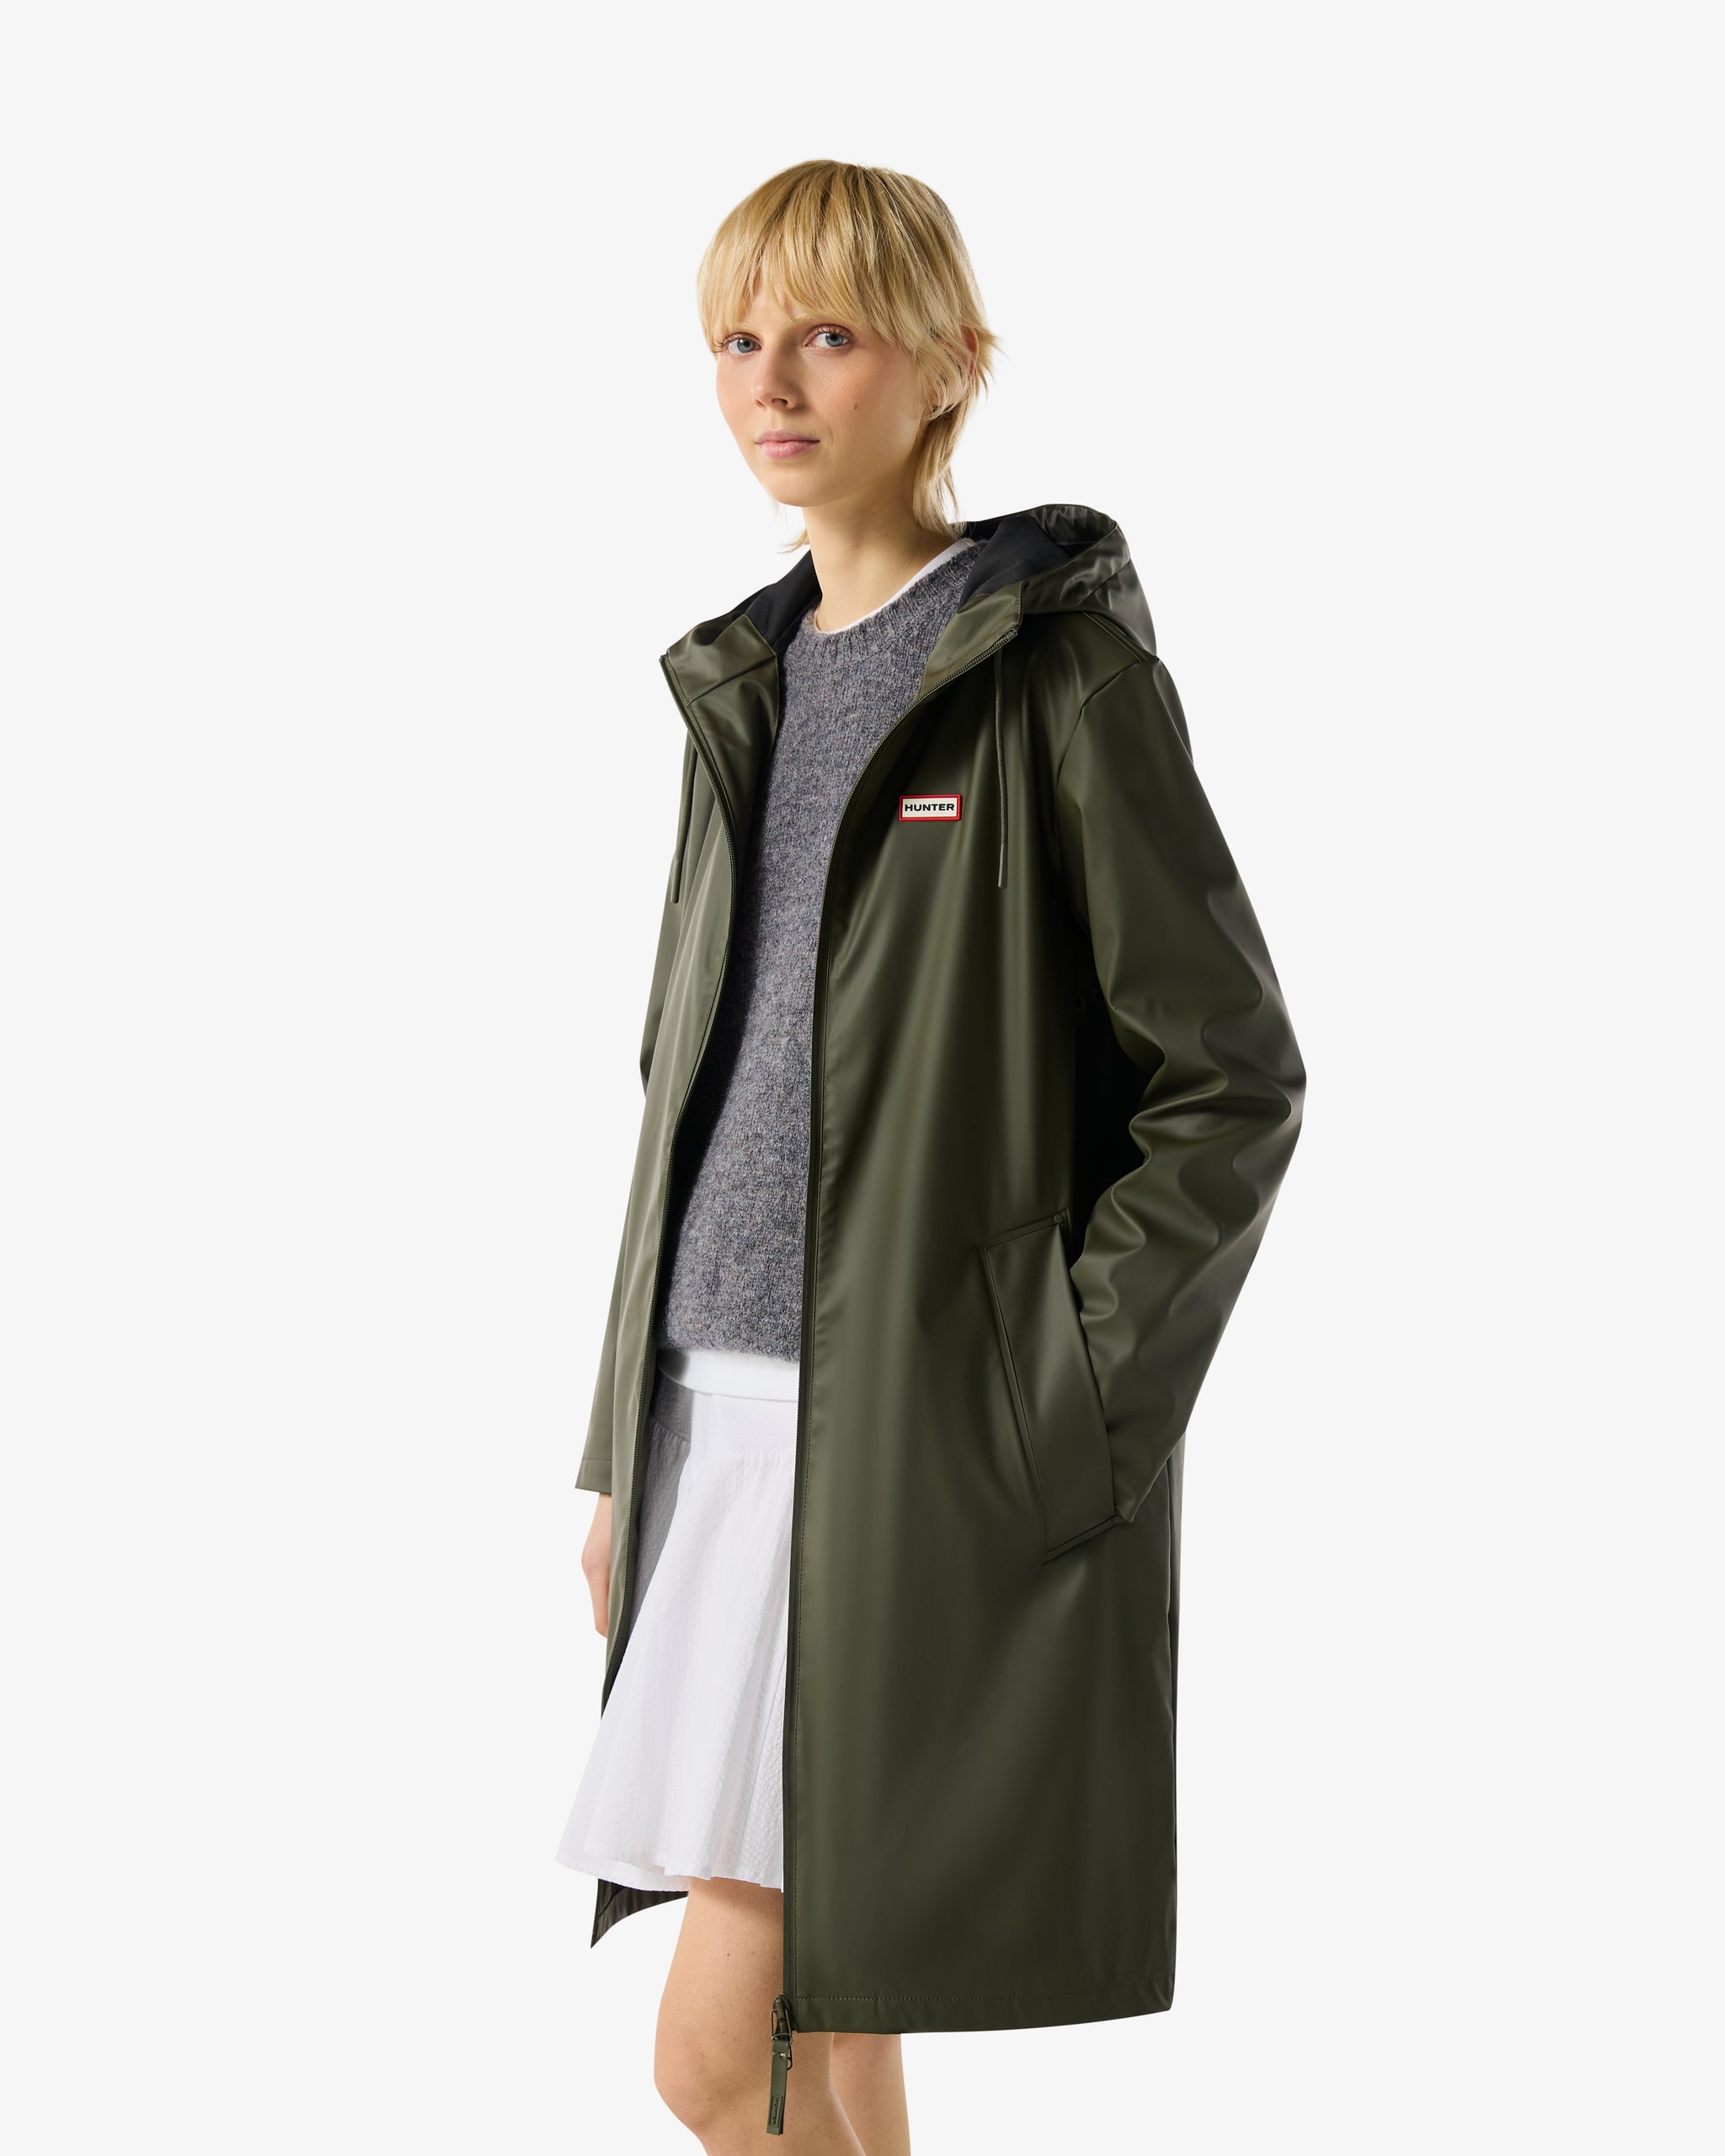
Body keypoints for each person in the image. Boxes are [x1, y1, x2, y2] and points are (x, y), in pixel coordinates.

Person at [556, 160, 1305, 2152]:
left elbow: (1226, 1077)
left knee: (722, 2057)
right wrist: (627, 1436)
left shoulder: (1049, 673)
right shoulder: (744, 682)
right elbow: (688, 1090)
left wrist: (1055, 1397)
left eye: (828, 332)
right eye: (736, 337)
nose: (770, 380)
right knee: (828, 2037)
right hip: (718, 1421)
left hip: (903, 1439)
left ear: (947, 363)